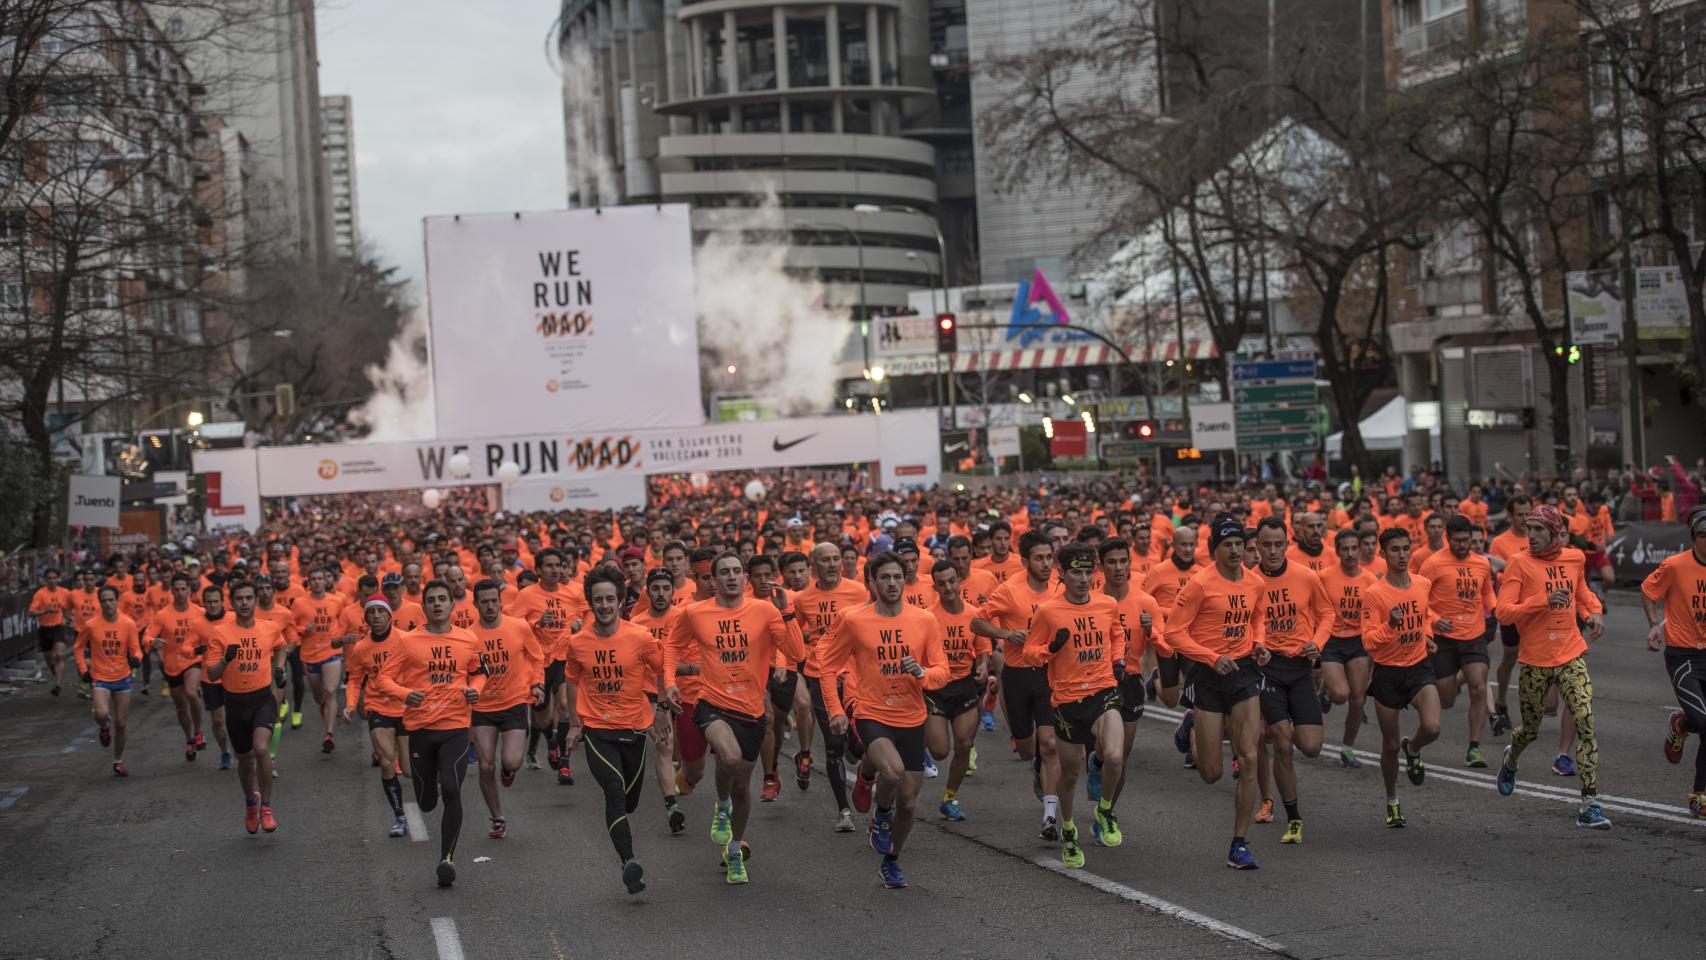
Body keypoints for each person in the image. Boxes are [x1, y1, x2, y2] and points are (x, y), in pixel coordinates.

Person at [664, 551, 804, 884]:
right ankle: (721, 805)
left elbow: (798, 654)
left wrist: (786, 611)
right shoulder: (695, 612)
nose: (731, 576)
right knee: (728, 756)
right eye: (723, 572)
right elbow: (671, 647)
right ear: (712, 579)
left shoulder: (764, 609)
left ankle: (733, 851)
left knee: (743, 785)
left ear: (745, 578)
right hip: (711, 702)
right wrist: (669, 682)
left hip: (751, 710)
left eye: (737, 571)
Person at [818, 551, 950, 888]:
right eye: (885, 578)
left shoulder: (924, 619)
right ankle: (880, 807)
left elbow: (942, 671)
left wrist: (922, 672)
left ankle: (891, 860)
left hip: (912, 715)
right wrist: (835, 710)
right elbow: (828, 666)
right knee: (892, 772)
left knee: (909, 801)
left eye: (897, 577)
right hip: (871, 711)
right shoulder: (854, 619)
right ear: (872, 583)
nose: (892, 584)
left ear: (905, 580)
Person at [1494, 504, 1611, 829]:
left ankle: (1590, 804)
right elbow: (1503, 612)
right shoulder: (1519, 563)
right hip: (1534, 660)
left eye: (1537, 530)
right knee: (1530, 730)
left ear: (1555, 531)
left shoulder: (1574, 558)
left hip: (1571, 652)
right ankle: (1512, 757)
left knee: (1585, 719)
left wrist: (1593, 613)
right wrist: (1542, 601)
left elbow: (1583, 593)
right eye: (1528, 528)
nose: (1530, 535)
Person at [1163, 517, 1268, 869]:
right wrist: (1211, 657)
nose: (1236, 550)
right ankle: (1190, 724)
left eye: (1239, 543)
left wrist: (1259, 644)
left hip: (1242, 672)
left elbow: (1257, 618)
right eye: (1228, 545)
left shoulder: (1255, 582)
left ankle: (1239, 843)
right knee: (1210, 773)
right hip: (1208, 675)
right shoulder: (1198, 585)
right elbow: (1173, 633)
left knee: (1250, 757)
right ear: (1215, 550)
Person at [1022, 542, 1129, 868]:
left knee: (1112, 756)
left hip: (1103, 690)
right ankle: (1068, 827)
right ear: (1063, 574)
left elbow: (1117, 633)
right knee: (1069, 774)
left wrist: (1118, 659)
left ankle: (1105, 810)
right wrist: (1050, 650)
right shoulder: (1048, 611)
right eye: (1076, 573)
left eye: (1088, 572)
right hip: (1067, 701)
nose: (1084, 579)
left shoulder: (1106, 604)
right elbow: (1029, 652)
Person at [563, 566, 667, 895]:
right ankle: (628, 861)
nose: (604, 605)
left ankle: (626, 844)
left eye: (610, 599)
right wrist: (574, 724)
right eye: (598, 600)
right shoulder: (579, 642)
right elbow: (571, 678)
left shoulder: (639, 637)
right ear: (590, 604)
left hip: (635, 727)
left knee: (630, 801)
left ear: (621, 601)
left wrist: (661, 710)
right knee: (613, 790)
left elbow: (664, 668)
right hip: (597, 729)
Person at [375, 580, 487, 886]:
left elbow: (480, 673)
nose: (437, 604)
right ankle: (428, 789)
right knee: (426, 802)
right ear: (423, 607)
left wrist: (474, 691)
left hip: (455, 726)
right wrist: (404, 693)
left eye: (442, 599)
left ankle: (446, 859)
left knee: (451, 788)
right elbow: (383, 679)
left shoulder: (468, 639)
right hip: (420, 728)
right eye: (431, 600)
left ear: (452, 606)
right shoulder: (408, 641)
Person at [972, 531, 1062, 838]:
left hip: (1050, 674)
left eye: (1049, 557)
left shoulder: (1059, 589)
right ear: (1024, 561)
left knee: (1050, 742)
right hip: (1018, 675)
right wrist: (1007, 635)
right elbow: (977, 623)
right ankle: (1037, 763)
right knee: (1027, 749)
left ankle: (1050, 816)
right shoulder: (1009, 591)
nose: (1046, 563)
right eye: (1039, 558)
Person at [1251, 517, 1332, 845]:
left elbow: (1327, 614)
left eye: (1277, 544)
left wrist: (1318, 642)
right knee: (1283, 742)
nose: (1272, 551)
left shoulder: (1306, 577)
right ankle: (1294, 818)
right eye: (1265, 545)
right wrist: (1255, 647)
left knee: (1311, 747)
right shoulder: (1248, 581)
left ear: (1287, 544)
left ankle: (1268, 729)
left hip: (1299, 669)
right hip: (1267, 670)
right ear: (1256, 546)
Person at [1361, 528, 1441, 829]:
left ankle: (1415, 748)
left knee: (1432, 727)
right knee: (1390, 745)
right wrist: (1391, 626)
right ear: (1383, 554)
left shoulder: (1422, 583)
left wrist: (1429, 636)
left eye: (1406, 548)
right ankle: (1392, 801)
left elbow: (1425, 616)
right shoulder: (1374, 594)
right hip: (1388, 672)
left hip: (1419, 666)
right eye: (1394, 550)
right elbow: (1369, 642)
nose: (1402, 555)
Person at [792, 541, 870, 830]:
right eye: (825, 560)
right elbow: (794, 635)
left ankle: (858, 756)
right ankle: (844, 812)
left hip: (856, 676)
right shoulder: (803, 599)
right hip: (819, 675)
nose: (832, 564)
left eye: (836, 558)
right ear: (814, 565)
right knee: (833, 745)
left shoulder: (858, 591)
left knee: (859, 746)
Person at [202, 580, 288, 834]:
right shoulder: (220, 633)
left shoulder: (269, 628)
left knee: (261, 749)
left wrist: (280, 668)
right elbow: (212, 673)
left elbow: (281, 647)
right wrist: (227, 659)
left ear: (255, 600)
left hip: (262, 699)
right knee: (245, 760)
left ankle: (267, 809)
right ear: (232, 602)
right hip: (235, 703)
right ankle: (251, 803)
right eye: (239, 599)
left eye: (249, 598)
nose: (245, 603)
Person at [468, 578, 545, 840]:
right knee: (485, 766)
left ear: (500, 602)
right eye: (485, 602)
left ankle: (508, 770)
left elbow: (537, 657)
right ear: (476, 604)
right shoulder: (468, 635)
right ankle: (497, 817)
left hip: (513, 702)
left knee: (511, 761)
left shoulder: (519, 627)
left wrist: (538, 684)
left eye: (494, 601)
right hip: (482, 707)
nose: (490, 606)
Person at [1643, 506, 1706, 818]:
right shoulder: (1675, 565)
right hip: (1683, 655)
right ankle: (1679, 725)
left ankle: (1699, 795)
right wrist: (1655, 625)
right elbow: (1648, 592)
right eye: (1704, 535)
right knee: (1703, 719)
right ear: (1694, 537)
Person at [1419, 516, 1496, 767]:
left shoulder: (1482, 563)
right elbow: (1417, 598)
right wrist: (1434, 619)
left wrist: (1497, 609)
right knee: (1447, 700)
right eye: (1458, 541)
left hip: (1474, 635)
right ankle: (1449, 683)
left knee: (1479, 685)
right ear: (1447, 538)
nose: (1463, 545)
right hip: (1444, 640)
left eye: (1467, 540)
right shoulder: (1433, 564)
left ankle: (1474, 748)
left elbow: (1486, 592)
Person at [508, 548, 586, 785]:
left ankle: (564, 761)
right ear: (539, 570)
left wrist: (578, 628)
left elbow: (586, 614)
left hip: (564, 657)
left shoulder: (572, 593)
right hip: (537, 661)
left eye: (558, 565)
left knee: (564, 705)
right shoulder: (527, 596)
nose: (555, 569)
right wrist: (537, 623)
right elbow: (513, 627)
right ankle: (551, 739)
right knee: (541, 718)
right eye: (549, 566)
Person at [923, 561, 990, 822]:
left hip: (964, 685)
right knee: (940, 751)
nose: (949, 587)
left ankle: (949, 798)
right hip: (936, 688)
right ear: (935, 586)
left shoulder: (975, 614)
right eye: (942, 583)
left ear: (960, 581)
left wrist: (983, 667)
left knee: (964, 744)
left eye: (952, 581)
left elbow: (983, 648)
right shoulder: (928, 617)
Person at [342, 594, 412, 839]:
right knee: (386, 763)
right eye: (371, 613)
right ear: (366, 618)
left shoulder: (405, 639)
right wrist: (351, 704)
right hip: (378, 707)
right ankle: (400, 817)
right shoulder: (361, 648)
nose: (376, 617)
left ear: (390, 615)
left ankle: (430, 774)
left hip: (405, 707)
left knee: (409, 769)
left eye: (381, 612)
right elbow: (353, 679)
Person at [630, 568, 689, 834]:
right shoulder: (636, 621)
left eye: (666, 588)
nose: (661, 593)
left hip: (682, 690)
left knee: (683, 757)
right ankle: (671, 806)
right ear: (648, 591)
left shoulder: (683, 617)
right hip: (649, 692)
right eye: (656, 588)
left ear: (673, 591)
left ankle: (684, 776)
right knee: (664, 747)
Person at [73, 585, 142, 777]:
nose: (108, 603)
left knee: (121, 723)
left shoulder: (127, 623)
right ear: (99, 602)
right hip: (100, 677)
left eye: (111, 599)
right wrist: (83, 670)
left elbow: (136, 648)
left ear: (117, 601)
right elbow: (78, 648)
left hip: (122, 677)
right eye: (104, 600)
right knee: (102, 713)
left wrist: (136, 658)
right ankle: (104, 726)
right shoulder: (91, 625)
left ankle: (118, 760)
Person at [144, 573, 207, 762]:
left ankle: (198, 731)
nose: (180, 593)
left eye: (183, 589)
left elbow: (214, 631)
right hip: (172, 666)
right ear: (172, 591)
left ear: (189, 589)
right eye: (176, 589)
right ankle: (189, 739)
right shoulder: (163, 615)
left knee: (191, 693)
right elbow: (147, 636)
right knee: (181, 708)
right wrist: (152, 641)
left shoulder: (199, 612)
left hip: (193, 661)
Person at [288, 568, 347, 750]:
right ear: (309, 582)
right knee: (319, 696)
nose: (317, 582)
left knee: (330, 690)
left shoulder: (337, 601)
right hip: (310, 654)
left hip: (331, 651)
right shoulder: (299, 603)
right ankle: (324, 706)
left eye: (320, 578)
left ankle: (328, 734)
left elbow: (343, 622)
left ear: (325, 580)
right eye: (313, 579)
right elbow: (291, 627)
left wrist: (339, 638)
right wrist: (304, 629)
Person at [29, 568, 74, 696]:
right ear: (45, 580)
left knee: (59, 655)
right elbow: (31, 613)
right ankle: (56, 674)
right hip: (44, 629)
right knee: (50, 660)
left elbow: (68, 607)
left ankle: (58, 685)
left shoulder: (65, 592)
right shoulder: (40, 594)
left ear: (58, 579)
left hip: (58, 627)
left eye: (55, 578)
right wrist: (44, 611)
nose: (52, 580)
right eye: (49, 578)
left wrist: (69, 618)